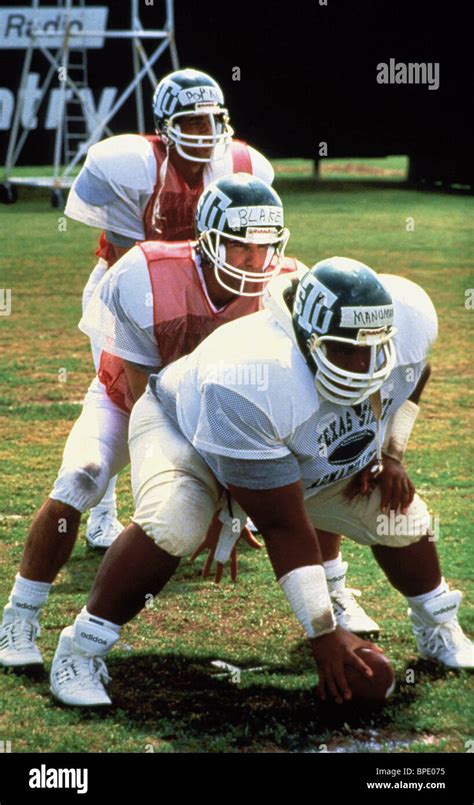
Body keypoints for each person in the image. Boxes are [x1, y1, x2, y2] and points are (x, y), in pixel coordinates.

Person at [47, 256, 473, 707]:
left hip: (290, 451)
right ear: (308, 339)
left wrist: (390, 454)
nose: (364, 364)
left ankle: (436, 625)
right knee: (175, 520)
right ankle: (79, 648)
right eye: (345, 349)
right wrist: (323, 633)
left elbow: (414, 376)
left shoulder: (405, 323)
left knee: (400, 514)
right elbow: (284, 525)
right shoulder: (255, 373)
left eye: (374, 347)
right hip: (185, 432)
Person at [0, 173, 298, 672]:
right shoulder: (146, 273)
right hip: (132, 403)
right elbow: (147, 404)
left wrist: (234, 501)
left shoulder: (287, 287)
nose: (254, 260)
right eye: (241, 246)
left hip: (222, 416)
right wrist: (208, 495)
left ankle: (332, 600)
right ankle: (20, 615)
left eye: (264, 247)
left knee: (321, 471)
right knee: (81, 476)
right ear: (209, 239)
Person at [65, 67, 274, 548]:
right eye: (191, 121)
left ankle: (233, 505)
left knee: (225, 388)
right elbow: (128, 268)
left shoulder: (241, 166)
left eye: (211, 119)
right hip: (127, 292)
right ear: (164, 124)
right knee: (128, 399)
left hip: (207, 290)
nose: (204, 132)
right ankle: (110, 511)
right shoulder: (131, 165)